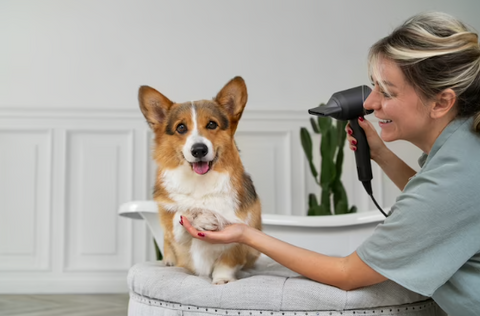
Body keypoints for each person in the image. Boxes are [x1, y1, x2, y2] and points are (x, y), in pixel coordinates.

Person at [180, 11, 480, 316]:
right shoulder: (464, 147)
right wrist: (382, 155)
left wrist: (245, 234)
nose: (371, 102)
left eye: (387, 91)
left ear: (441, 102)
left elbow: (348, 274)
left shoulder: (457, 174)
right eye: (373, 86)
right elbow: (441, 210)